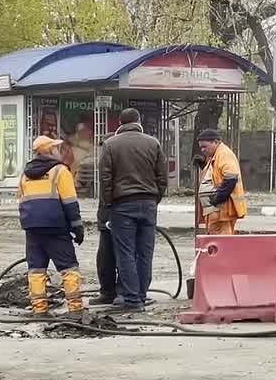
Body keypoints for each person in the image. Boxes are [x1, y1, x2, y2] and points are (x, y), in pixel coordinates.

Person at [97, 108, 167, 312]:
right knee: (145, 253)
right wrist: (155, 199)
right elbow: (162, 177)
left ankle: (132, 300)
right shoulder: (153, 143)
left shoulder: (110, 144)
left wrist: (109, 203)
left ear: (120, 122)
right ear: (138, 121)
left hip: (123, 204)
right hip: (148, 204)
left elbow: (105, 178)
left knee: (125, 253)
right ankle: (142, 296)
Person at [17, 136, 85, 317]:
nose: (58, 150)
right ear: (48, 151)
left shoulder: (25, 174)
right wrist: (77, 228)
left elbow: (21, 200)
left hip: (32, 229)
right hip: (55, 228)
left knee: (36, 269)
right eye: (55, 147)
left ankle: (39, 310)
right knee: (69, 267)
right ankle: (76, 309)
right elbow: (70, 203)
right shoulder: (60, 171)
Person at [196, 129, 247, 235]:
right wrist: (202, 165)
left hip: (221, 210)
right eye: (201, 147)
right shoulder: (215, 156)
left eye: (205, 146)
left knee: (221, 243)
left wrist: (219, 197)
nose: (202, 150)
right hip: (214, 210)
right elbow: (215, 175)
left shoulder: (224, 154)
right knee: (215, 242)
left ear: (215, 142)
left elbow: (231, 178)